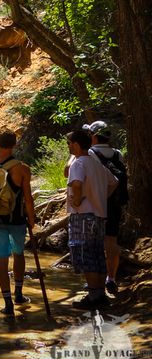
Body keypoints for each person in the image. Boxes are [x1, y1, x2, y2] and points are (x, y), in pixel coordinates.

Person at [0, 130, 35, 316]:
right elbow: (28, 198)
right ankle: (18, 294)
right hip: (17, 219)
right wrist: (32, 219)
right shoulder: (22, 168)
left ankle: (7, 303)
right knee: (18, 254)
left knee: (1, 260)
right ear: (15, 145)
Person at [66, 128, 117, 309]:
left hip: (82, 216)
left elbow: (77, 183)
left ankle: (94, 296)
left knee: (85, 254)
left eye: (69, 143)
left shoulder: (78, 163)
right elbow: (114, 182)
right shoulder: (97, 164)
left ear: (76, 145)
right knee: (97, 254)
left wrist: (77, 201)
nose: (68, 147)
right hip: (99, 215)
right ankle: (100, 294)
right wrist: (101, 197)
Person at [86, 120, 128, 296]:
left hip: (97, 202)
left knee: (95, 242)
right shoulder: (118, 154)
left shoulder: (90, 153)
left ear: (94, 136)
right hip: (115, 203)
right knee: (111, 240)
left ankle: (95, 282)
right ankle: (111, 278)